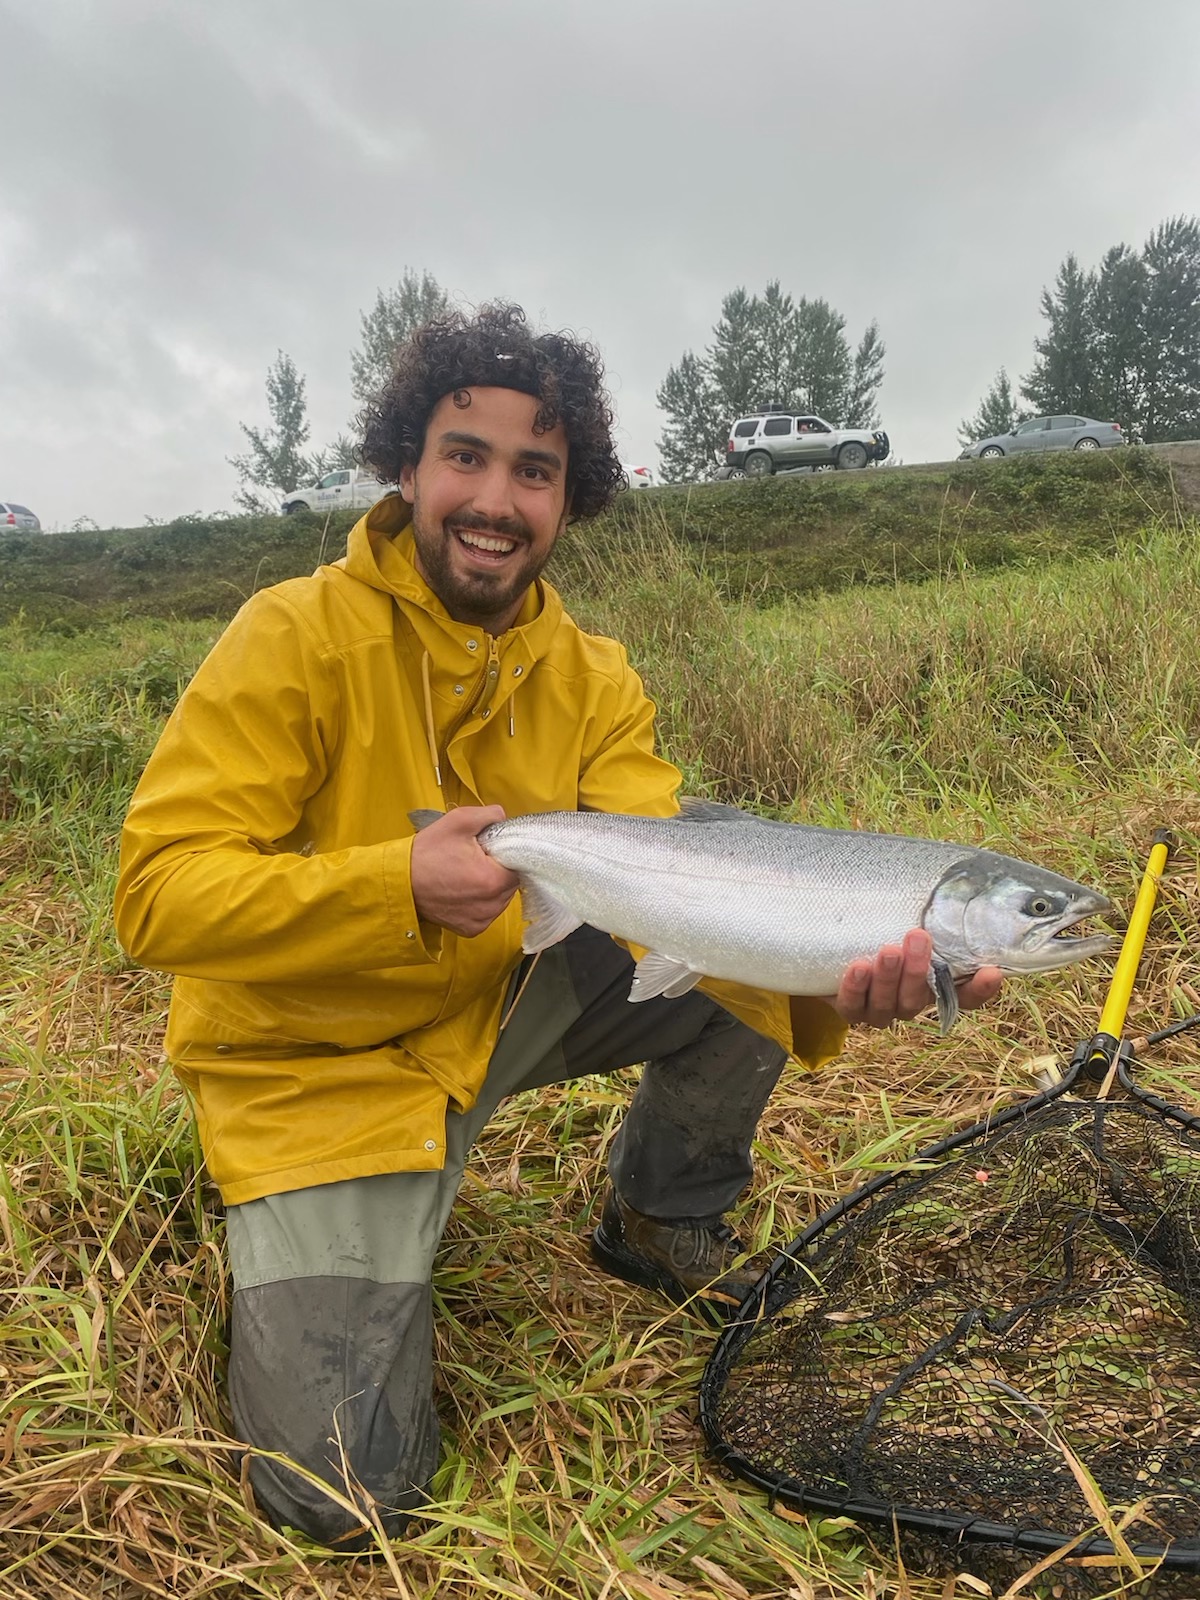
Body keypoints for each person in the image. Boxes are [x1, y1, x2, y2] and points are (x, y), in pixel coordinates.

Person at [114, 302, 1002, 1550]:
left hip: (502, 1003)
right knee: (344, 1497)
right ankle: (312, 1227)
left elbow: (685, 885)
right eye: (465, 455)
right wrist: (393, 885)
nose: (496, 498)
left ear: (569, 498)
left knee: (733, 852)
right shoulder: (292, 637)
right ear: (408, 467)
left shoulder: (593, 672)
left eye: (535, 470)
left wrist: (832, 973)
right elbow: (155, 892)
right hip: (318, 1073)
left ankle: (661, 1216)